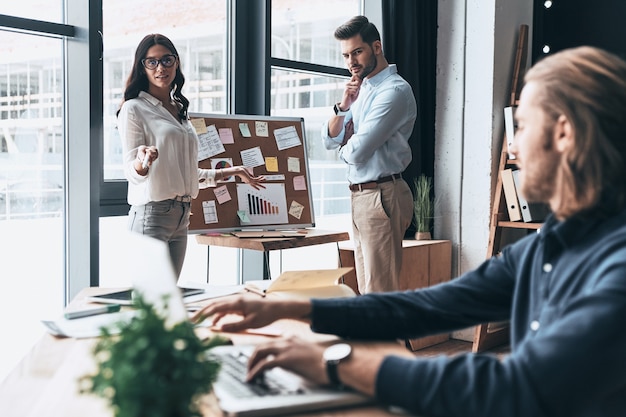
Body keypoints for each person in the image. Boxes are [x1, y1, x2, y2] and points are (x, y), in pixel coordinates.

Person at [193, 46, 626, 417]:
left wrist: (334, 361)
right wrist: (291, 309)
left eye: (523, 127)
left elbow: (516, 386)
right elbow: (428, 306)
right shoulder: (548, 245)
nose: (511, 147)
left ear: (565, 132)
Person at [117, 34, 265, 278]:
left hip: (182, 215)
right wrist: (142, 162)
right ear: (142, 67)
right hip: (151, 216)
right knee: (150, 304)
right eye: (151, 62)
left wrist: (234, 171)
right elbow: (131, 171)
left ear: (176, 62)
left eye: (167, 60)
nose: (160, 68)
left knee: (167, 302)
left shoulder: (179, 110)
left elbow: (189, 175)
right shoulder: (134, 108)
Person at [322, 16, 417, 294]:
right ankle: (381, 338)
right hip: (361, 196)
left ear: (376, 47)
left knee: (379, 292)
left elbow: (358, 151)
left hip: (382, 194)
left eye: (357, 52)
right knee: (367, 292)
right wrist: (342, 107)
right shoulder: (360, 89)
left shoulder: (394, 91)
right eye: (346, 55)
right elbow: (329, 140)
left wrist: (346, 144)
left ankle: (391, 339)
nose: (351, 61)